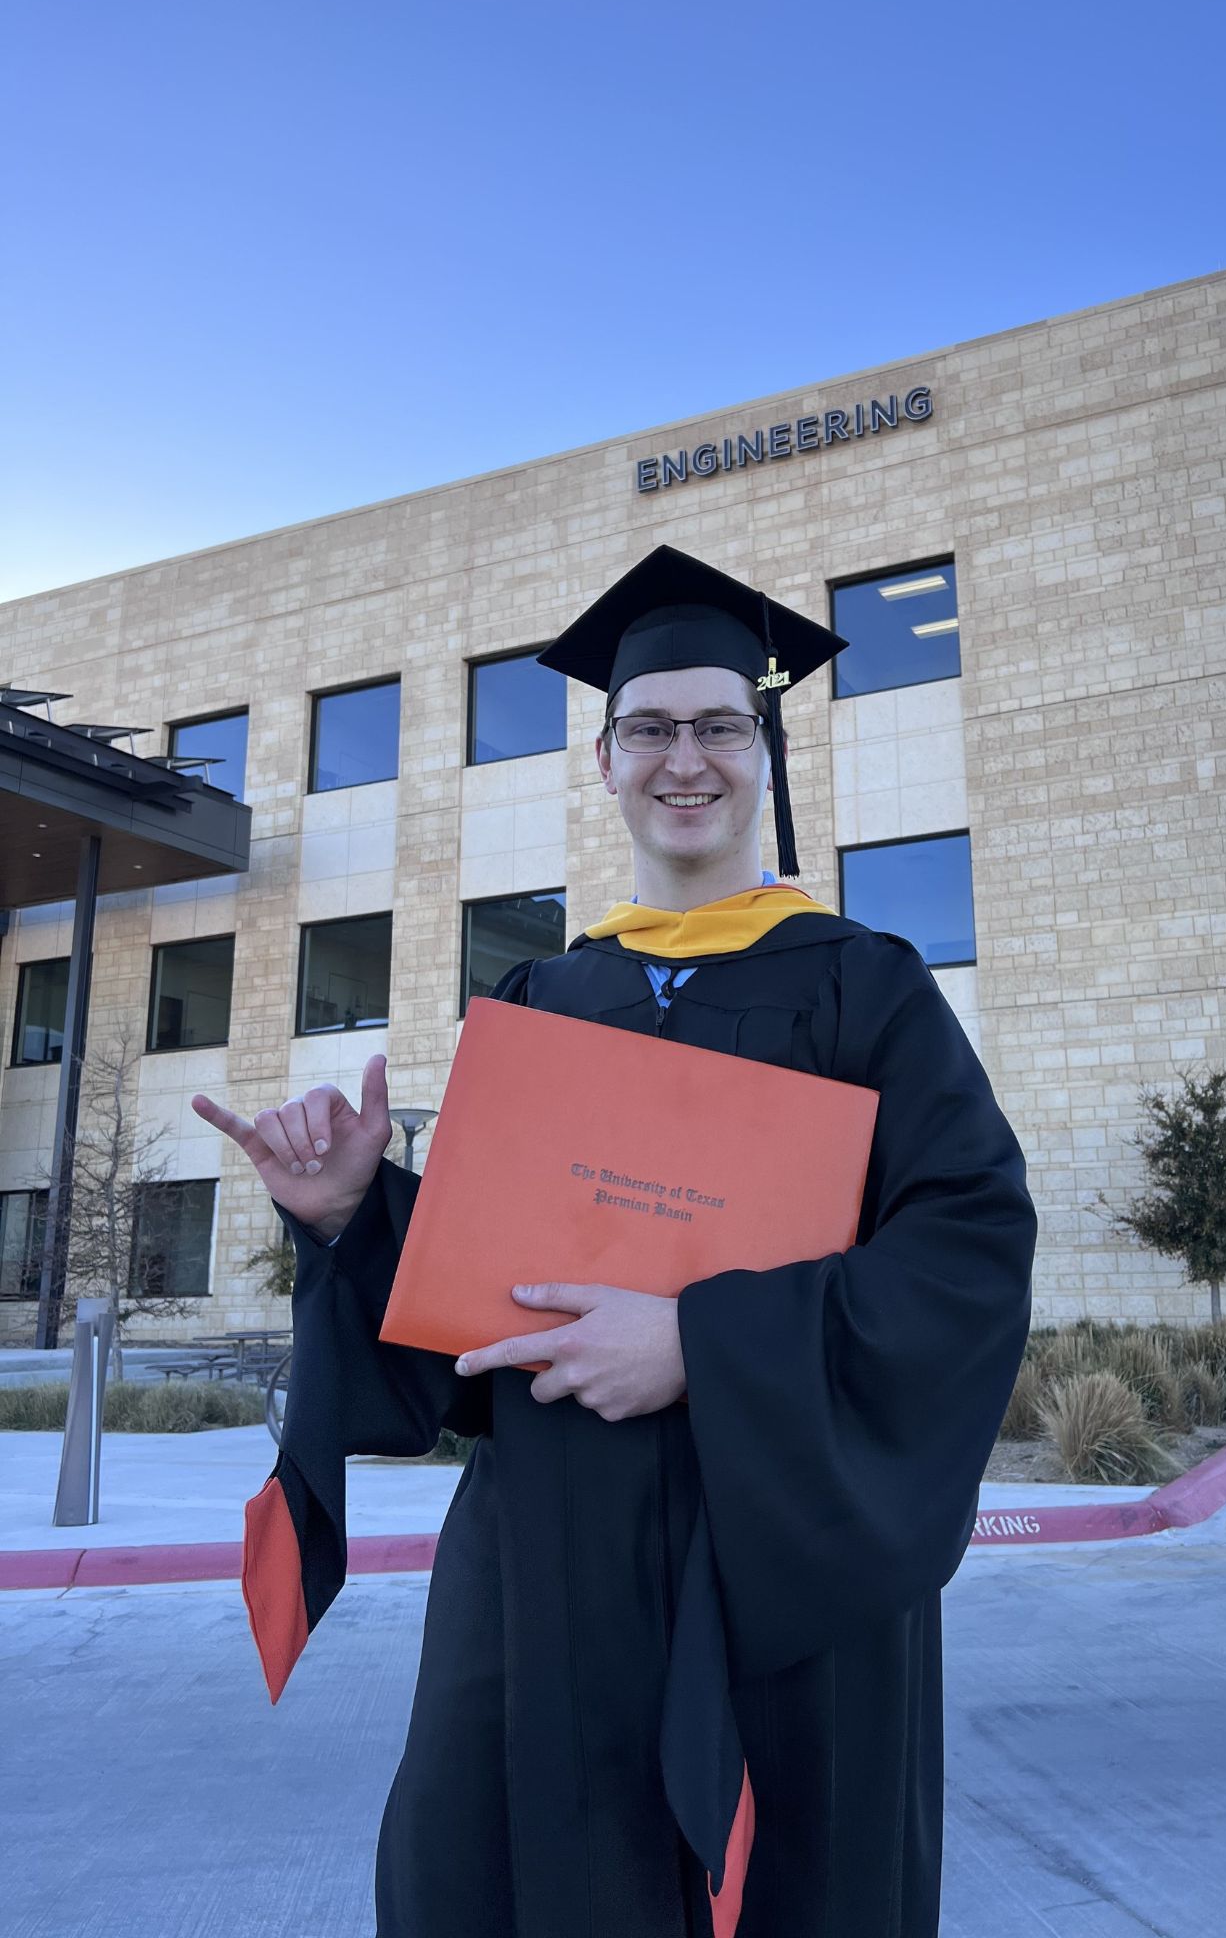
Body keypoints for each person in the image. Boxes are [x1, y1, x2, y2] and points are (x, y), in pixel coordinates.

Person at [193, 544, 1036, 1938]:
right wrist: (354, 1215)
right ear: (603, 760)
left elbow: (969, 1251)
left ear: (764, 750)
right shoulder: (543, 994)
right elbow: (474, 1312)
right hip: (542, 1547)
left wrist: (702, 1345)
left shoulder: (866, 987)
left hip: (778, 1550)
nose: (683, 759)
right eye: (650, 728)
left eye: (718, 724)